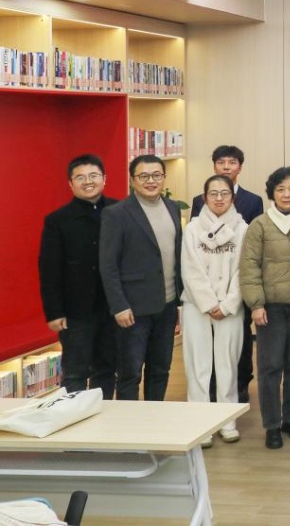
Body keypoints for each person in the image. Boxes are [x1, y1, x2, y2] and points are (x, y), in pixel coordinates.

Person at [240, 166, 290, 449]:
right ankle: (271, 425)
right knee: (270, 367)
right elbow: (249, 267)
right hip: (270, 308)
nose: (286, 194)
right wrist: (256, 303)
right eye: (280, 189)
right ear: (272, 192)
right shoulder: (259, 225)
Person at [98, 155, 183, 402]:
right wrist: (119, 305)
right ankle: (130, 425)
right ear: (132, 180)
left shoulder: (172, 208)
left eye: (156, 175)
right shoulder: (116, 213)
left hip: (167, 304)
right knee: (130, 374)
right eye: (143, 176)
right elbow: (108, 265)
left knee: (160, 370)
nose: (150, 181)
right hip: (132, 309)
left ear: (164, 177)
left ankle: (153, 419)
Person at [188, 144, 263, 405]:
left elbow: (251, 252)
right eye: (221, 162)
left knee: (236, 346)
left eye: (232, 162)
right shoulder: (197, 207)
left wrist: (232, 296)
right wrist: (207, 297)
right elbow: (194, 253)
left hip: (235, 290)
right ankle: (208, 395)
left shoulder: (251, 206)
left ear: (239, 167)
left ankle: (238, 390)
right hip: (204, 293)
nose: (226, 167)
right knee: (204, 348)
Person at [38, 154, 118, 398]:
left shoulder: (120, 212)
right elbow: (49, 270)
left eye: (93, 175)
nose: (88, 181)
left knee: (107, 368)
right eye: (80, 177)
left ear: (104, 179)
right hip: (75, 311)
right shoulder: (57, 220)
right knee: (75, 372)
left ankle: (103, 415)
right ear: (71, 184)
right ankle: (73, 417)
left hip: (113, 307)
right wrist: (54, 312)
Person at [180, 174, 248, 445]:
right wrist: (209, 303)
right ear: (204, 197)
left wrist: (228, 304)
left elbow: (244, 271)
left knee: (227, 365)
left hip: (230, 307)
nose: (219, 199)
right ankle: (200, 425)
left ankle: (227, 421)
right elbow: (190, 269)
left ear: (233, 197)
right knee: (197, 366)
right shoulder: (192, 229)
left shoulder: (243, 228)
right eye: (213, 194)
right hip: (196, 305)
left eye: (224, 193)